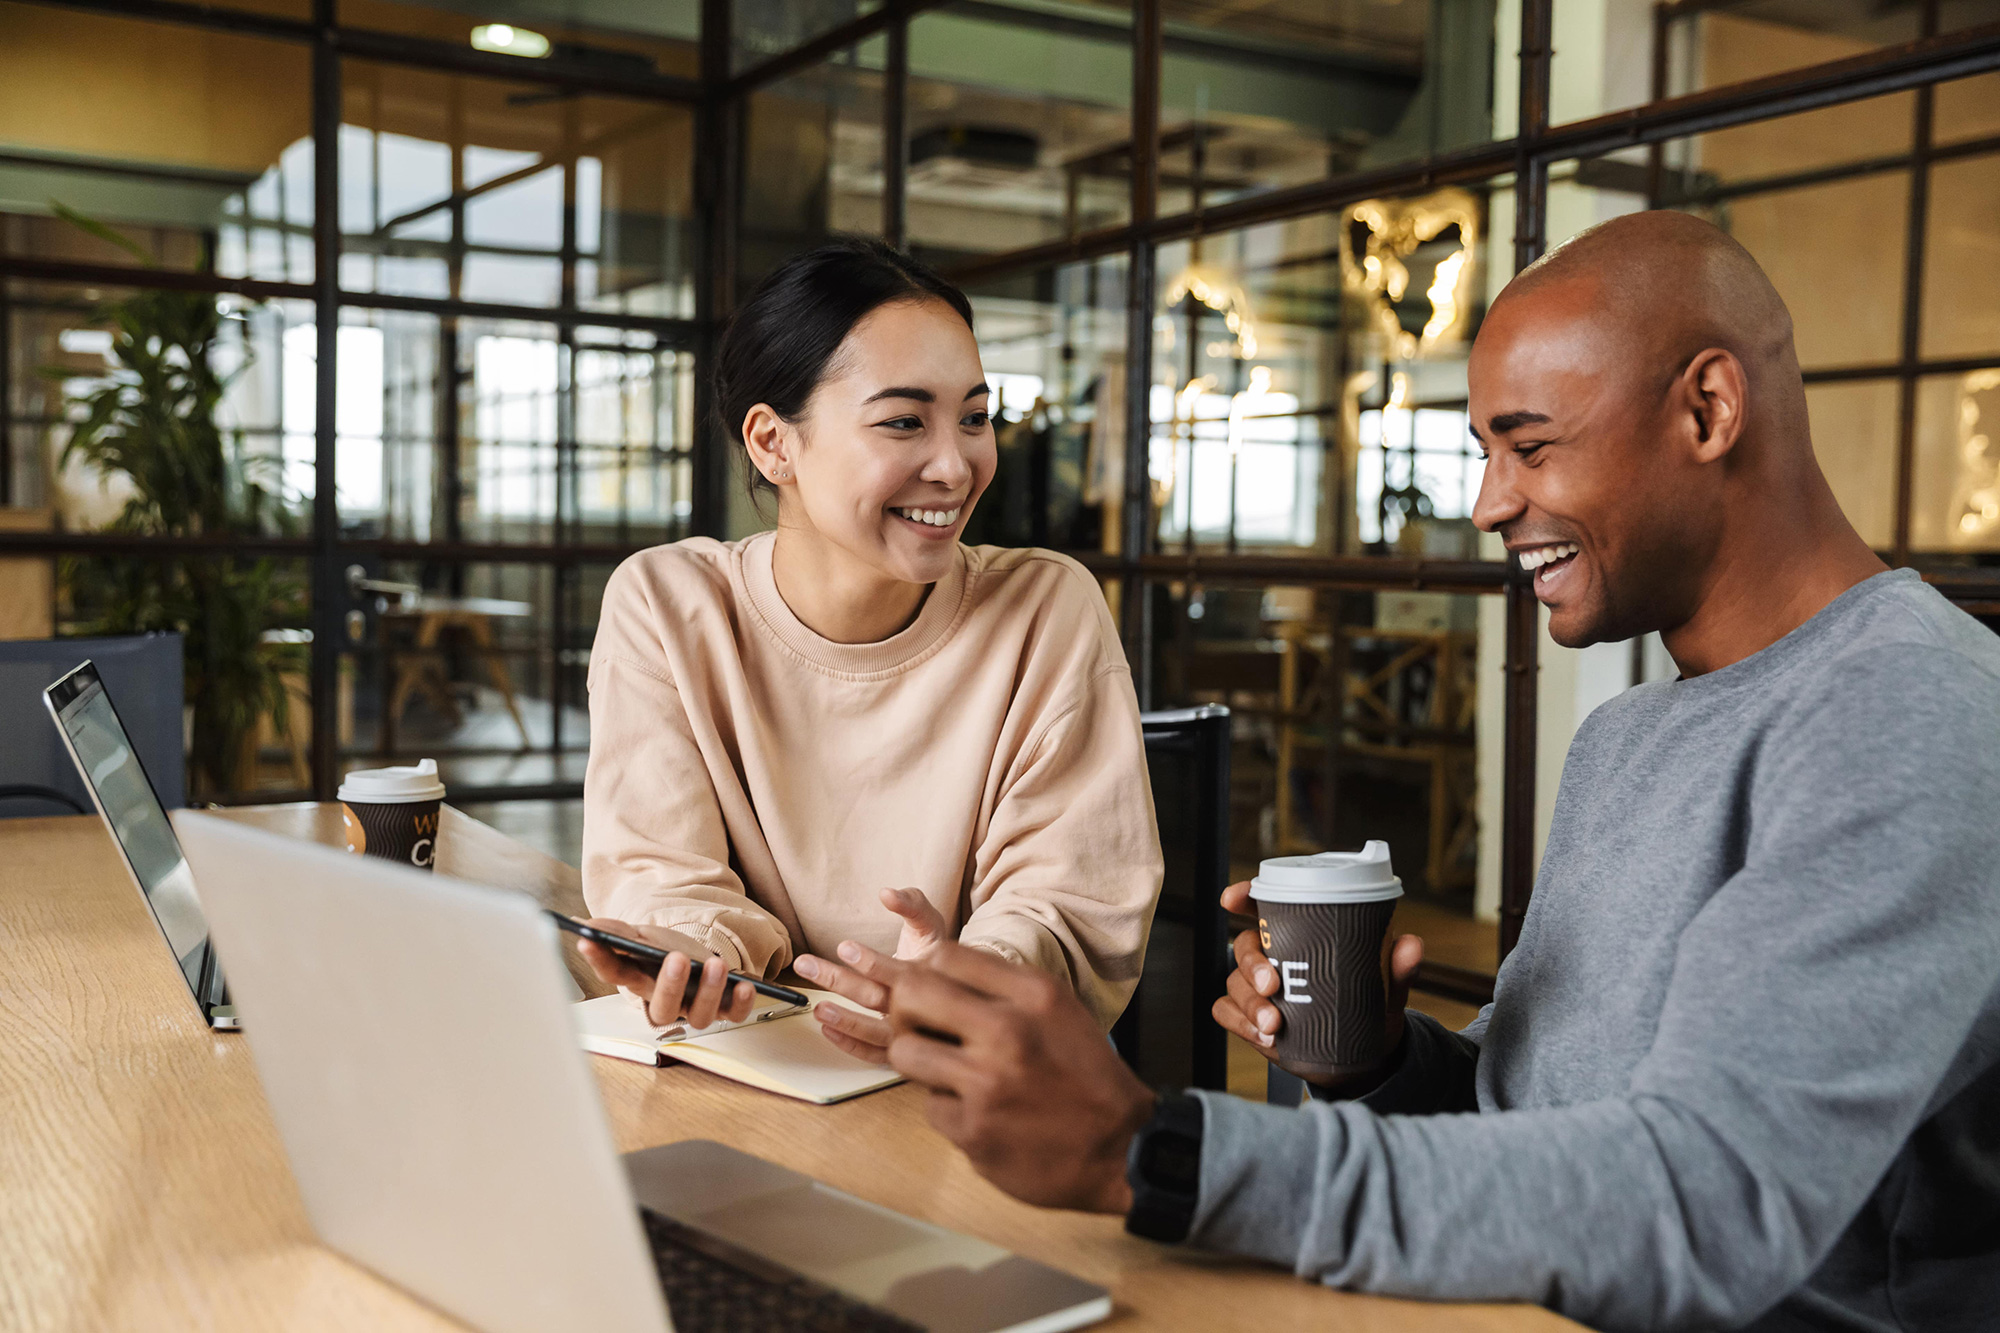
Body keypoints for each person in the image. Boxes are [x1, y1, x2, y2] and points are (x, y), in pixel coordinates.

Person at [808, 212, 2000, 1331]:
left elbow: (1707, 1198)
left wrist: (1153, 1151)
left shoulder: (1910, 710)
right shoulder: (1627, 739)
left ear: (1705, 408)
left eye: (1528, 446)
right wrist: (1375, 1057)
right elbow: (1525, 1118)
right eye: (1482, 451)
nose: (1487, 505)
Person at [576, 239, 1162, 1051]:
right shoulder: (668, 606)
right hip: (740, 1060)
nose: (956, 467)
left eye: (976, 418)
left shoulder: (1045, 609)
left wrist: (960, 980)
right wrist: (690, 950)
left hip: (960, 1079)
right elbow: (661, 873)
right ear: (772, 443)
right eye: (904, 422)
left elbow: (1064, 900)